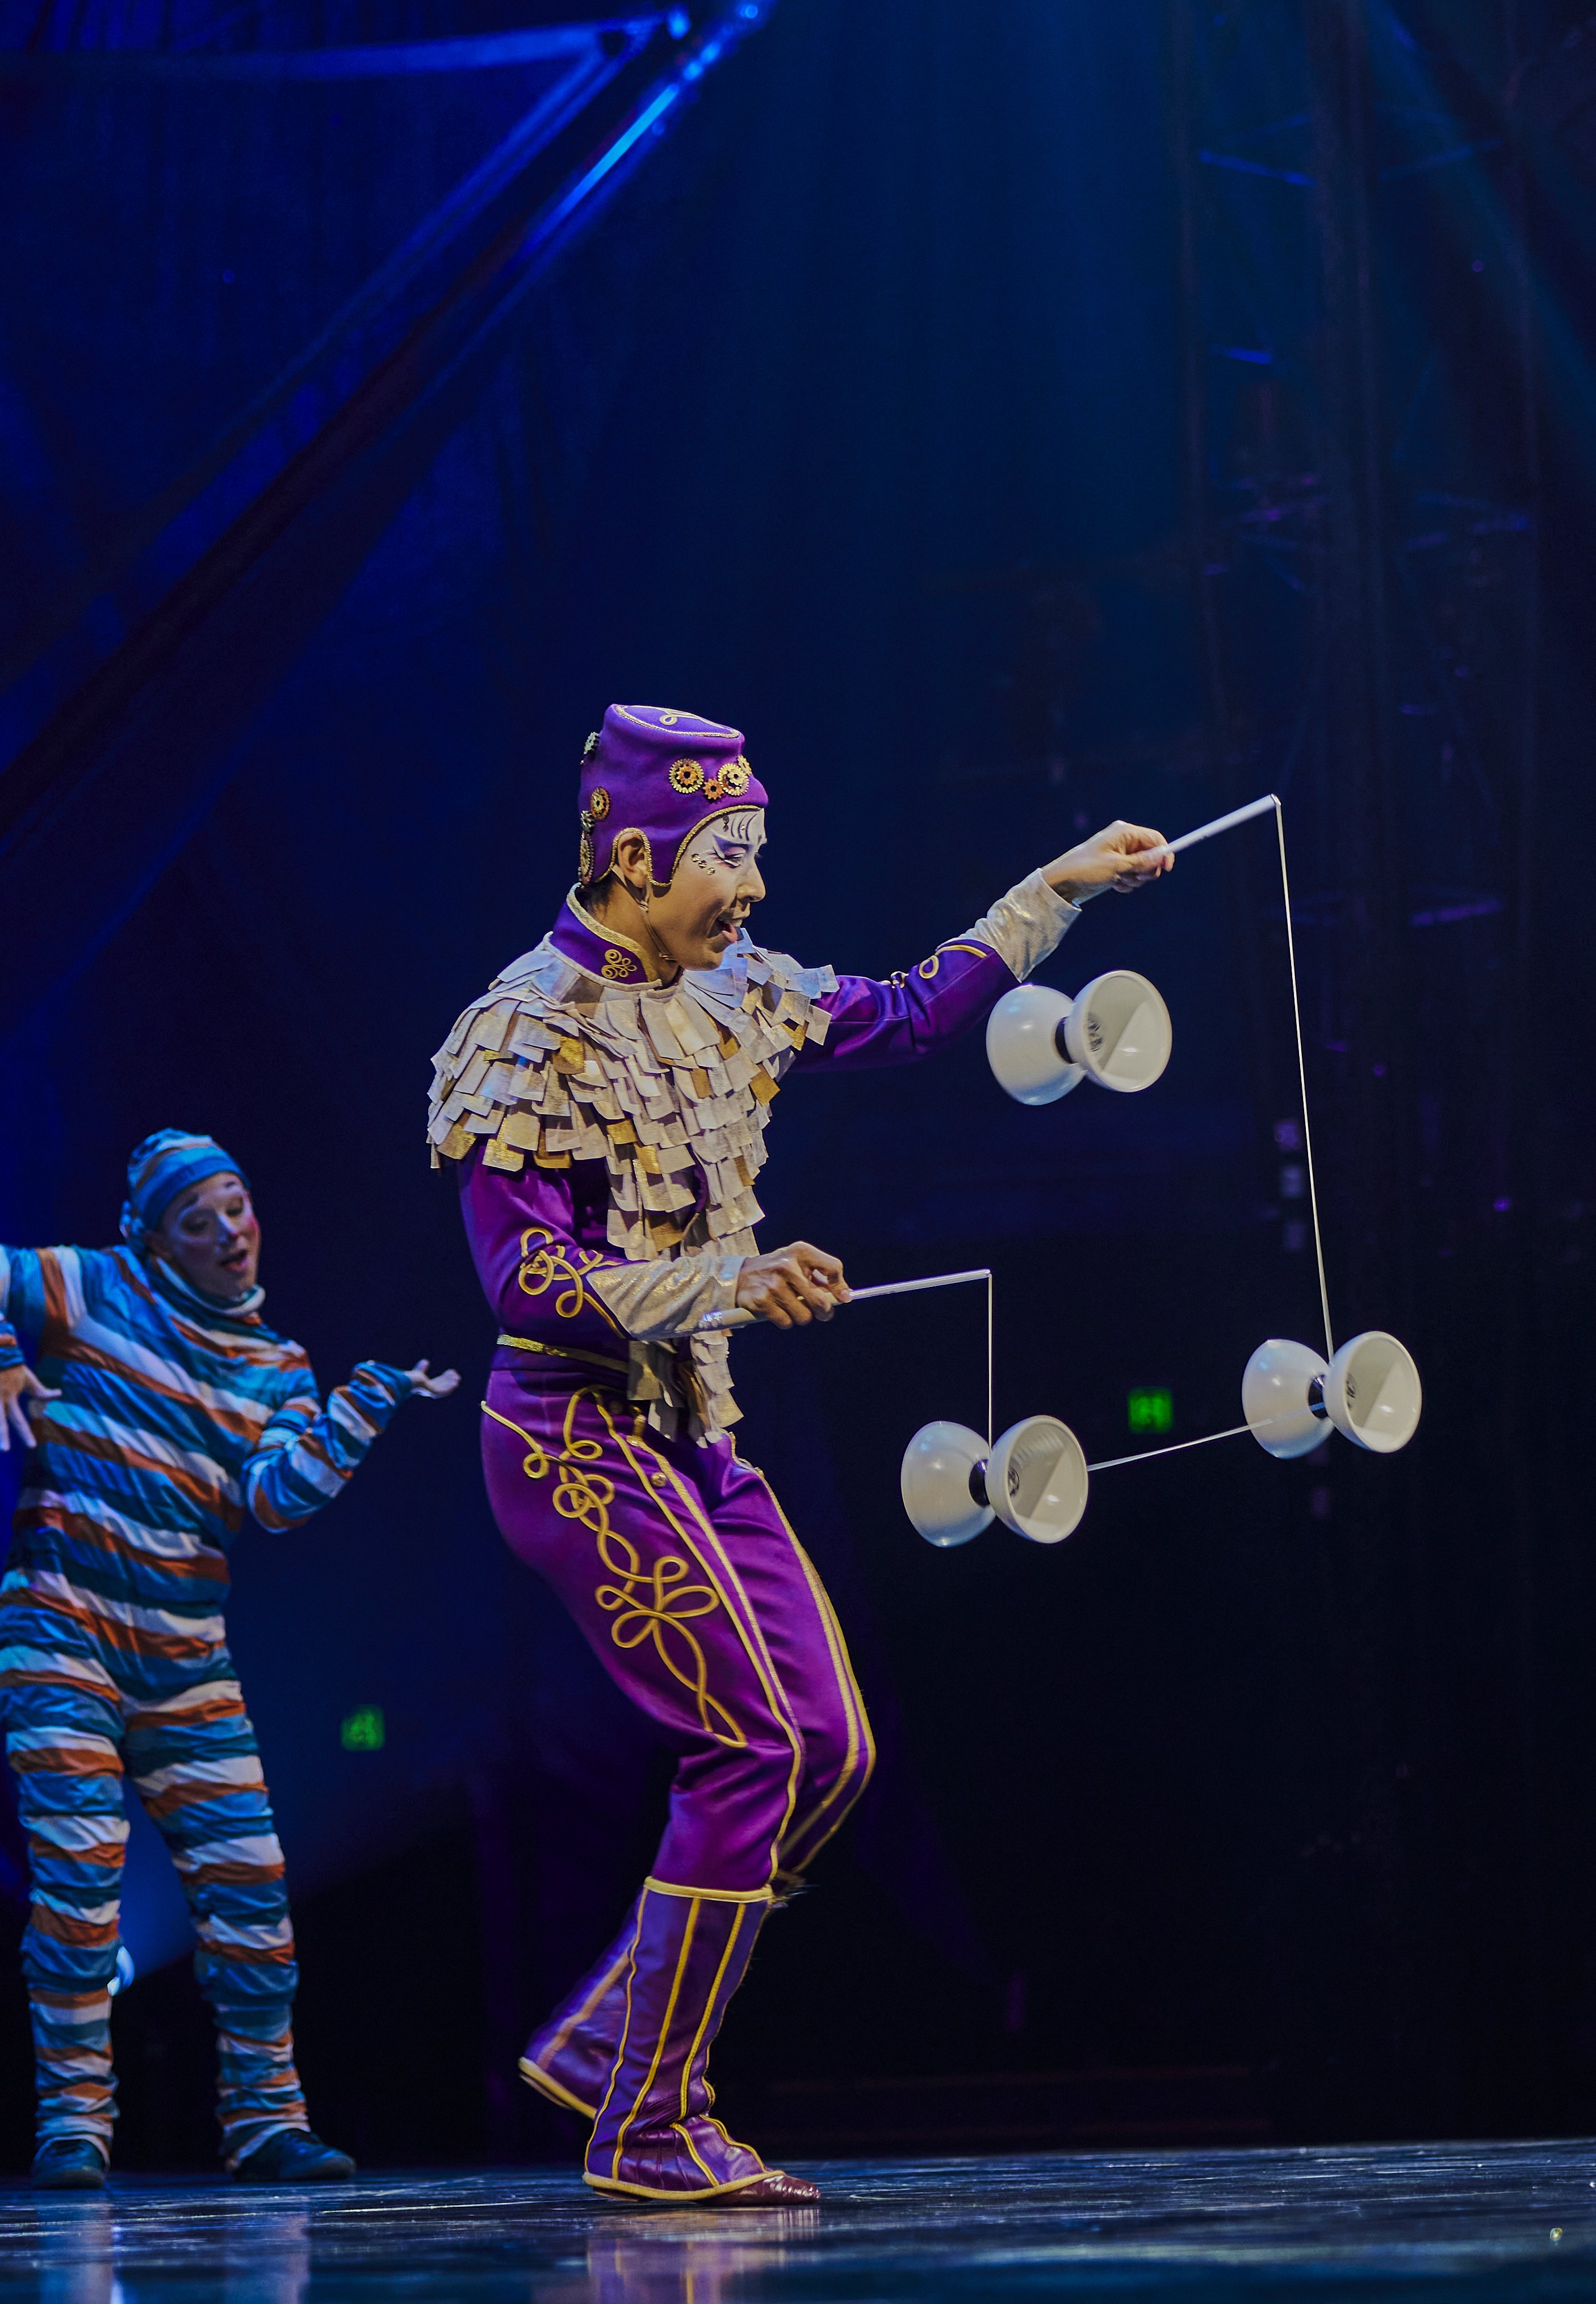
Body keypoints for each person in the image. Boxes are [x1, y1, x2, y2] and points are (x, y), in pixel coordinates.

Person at [428, 704, 1168, 2206]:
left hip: (695, 1435)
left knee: (830, 1749)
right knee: (752, 1745)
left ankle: (613, 2039)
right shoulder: (521, 1030)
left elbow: (904, 1009)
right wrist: (729, 1281)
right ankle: (647, 2118)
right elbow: (527, 1286)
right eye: (726, 856)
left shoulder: (732, 987)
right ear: (635, 850)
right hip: (575, 1439)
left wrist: (1062, 884)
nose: (751, 888)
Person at [0, 1131, 456, 2190]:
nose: (226, 1234)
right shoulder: (93, 1287)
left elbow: (274, 1501)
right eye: (196, 1222)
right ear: (155, 1243)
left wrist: (356, 1410)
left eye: (235, 1207)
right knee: (78, 1888)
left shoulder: (275, 1365)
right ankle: (73, 2124)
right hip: (60, 1633)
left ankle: (265, 2123)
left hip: (186, 1661)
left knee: (251, 1891)